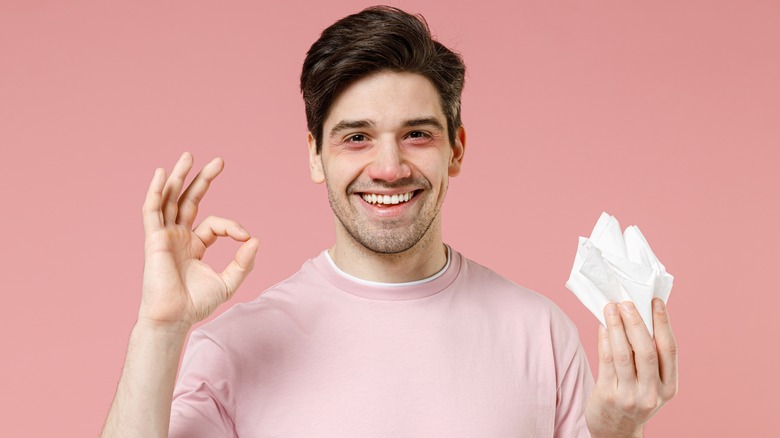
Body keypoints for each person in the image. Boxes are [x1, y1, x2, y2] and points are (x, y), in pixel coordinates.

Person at [101, 6, 677, 437]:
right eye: (356, 138)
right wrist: (159, 328)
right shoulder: (234, 347)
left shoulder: (541, 334)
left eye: (417, 134)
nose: (389, 167)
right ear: (314, 154)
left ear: (456, 149)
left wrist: (615, 433)